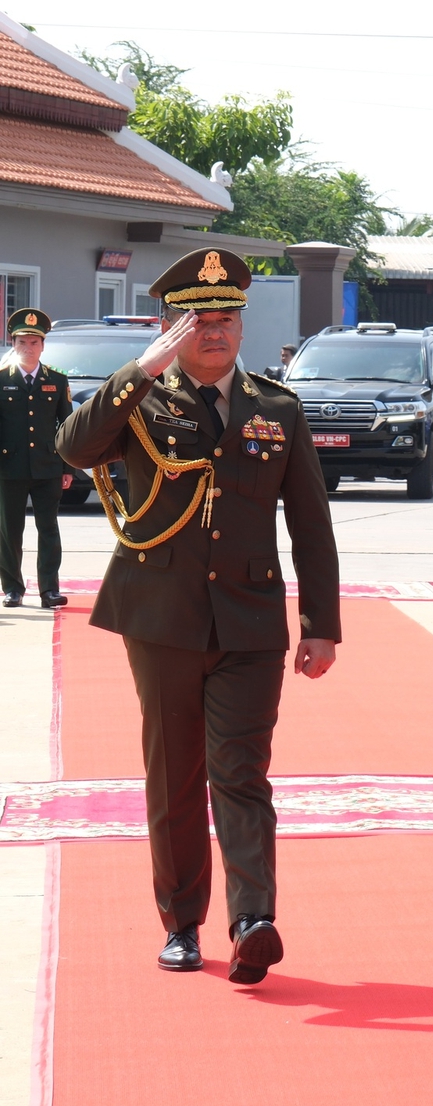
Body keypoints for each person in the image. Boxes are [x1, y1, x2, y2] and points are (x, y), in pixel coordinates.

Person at [55, 248, 340, 983]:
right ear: (173, 328)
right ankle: (182, 921)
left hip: (249, 619)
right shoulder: (140, 399)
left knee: (241, 771)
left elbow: (310, 521)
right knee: (175, 774)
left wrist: (320, 623)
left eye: (226, 318)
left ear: (243, 324)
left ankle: (254, 920)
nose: (214, 332)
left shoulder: (277, 408)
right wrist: (141, 370)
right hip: (161, 617)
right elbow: (74, 448)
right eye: (198, 321)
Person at [0, 307, 72, 608]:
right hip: (9, 466)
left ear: (43, 346)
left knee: (49, 529)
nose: (28, 348)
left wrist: (68, 466)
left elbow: (67, 426)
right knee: (9, 530)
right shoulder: (2, 379)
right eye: (21, 342)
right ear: (12, 344)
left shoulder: (56, 379)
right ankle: (12, 589)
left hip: (48, 466)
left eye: (34, 342)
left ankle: (49, 590)